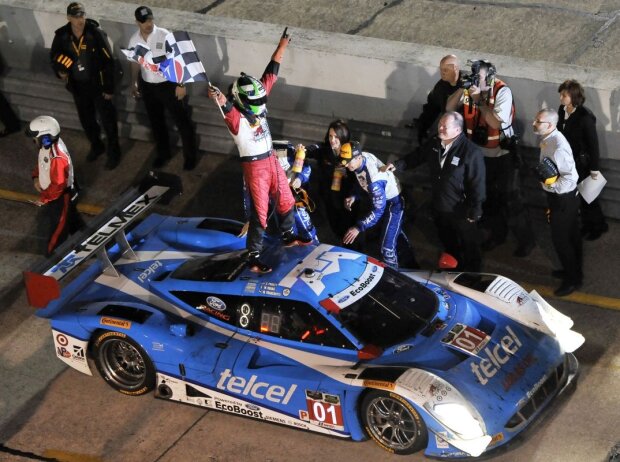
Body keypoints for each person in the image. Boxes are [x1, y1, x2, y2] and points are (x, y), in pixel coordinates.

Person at [207, 28, 311, 274]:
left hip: (272, 160)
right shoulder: (235, 119)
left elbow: (270, 75)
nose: (261, 106)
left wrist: (282, 45)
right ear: (242, 101)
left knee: (287, 199)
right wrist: (219, 97)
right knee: (261, 214)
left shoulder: (257, 100)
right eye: (255, 103)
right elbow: (224, 106)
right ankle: (253, 256)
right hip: (255, 168)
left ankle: (288, 236)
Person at [446, 59, 535, 257]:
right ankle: (497, 234)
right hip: (479, 154)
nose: (476, 81)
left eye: (480, 78)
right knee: (487, 199)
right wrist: (463, 89)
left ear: (491, 77)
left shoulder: (502, 91)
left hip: (502, 156)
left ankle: (526, 240)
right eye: (474, 77)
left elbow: (495, 120)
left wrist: (478, 101)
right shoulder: (471, 91)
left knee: (511, 200)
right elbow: (449, 109)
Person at [390, 112, 485, 271]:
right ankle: (454, 266)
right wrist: (397, 165)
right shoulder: (434, 143)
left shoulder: (471, 152)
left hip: (462, 210)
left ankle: (474, 273)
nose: (439, 129)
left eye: (444, 126)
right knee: (448, 239)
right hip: (440, 206)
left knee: (469, 243)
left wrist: (475, 210)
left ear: (457, 130)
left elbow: (477, 183)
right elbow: (417, 156)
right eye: (439, 125)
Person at [50, 2, 121, 170]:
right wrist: (60, 72)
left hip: (98, 85)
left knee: (108, 122)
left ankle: (114, 153)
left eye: (81, 15)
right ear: (68, 18)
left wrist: (109, 88)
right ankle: (96, 146)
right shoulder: (61, 35)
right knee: (87, 120)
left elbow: (108, 61)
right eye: (75, 17)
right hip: (78, 86)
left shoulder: (95, 33)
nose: (79, 20)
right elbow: (53, 56)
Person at [128, 5, 198, 170]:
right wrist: (134, 82)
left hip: (168, 85)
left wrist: (181, 84)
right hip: (148, 86)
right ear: (137, 22)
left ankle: (190, 157)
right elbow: (135, 63)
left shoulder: (164, 35)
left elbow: (179, 60)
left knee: (182, 122)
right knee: (156, 122)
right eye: (144, 21)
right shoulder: (134, 40)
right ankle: (163, 154)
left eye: (150, 19)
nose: (149, 23)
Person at [340, 141, 417, 269]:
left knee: (387, 247)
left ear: (358, 157)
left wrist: (358, 227)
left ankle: (394, 278)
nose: (346, 165)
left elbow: (377, 210)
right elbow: (361, 180)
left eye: (348, 161)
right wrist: (354, 195)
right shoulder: (361, 157)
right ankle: (411, 263)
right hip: (387, 198)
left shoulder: (373, 181)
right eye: (344, 161)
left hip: (395, 204)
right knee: (394, 235)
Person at [533, 108, 581, 297]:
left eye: (538, 121)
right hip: (562, 198)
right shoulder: (549, 139)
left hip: (563, 199)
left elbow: (571, 178)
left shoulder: (558, 146)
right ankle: (573, 271)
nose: (534, 123)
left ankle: (572, 279)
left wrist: (552, 188)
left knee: (561, 240)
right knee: (570, 236)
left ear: (550, 125)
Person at [557, 79, 608, 241]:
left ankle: (598, 226)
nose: (561, 98)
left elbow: (593, 145)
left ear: (573, 96)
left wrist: (594, 168)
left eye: (564, 95)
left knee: (589, 197)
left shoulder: (585, 116)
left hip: (582, 163)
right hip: (569, 162)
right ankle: (588, 224)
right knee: (580, 196)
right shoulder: (561, 110)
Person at [26, 115, 84, 256]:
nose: (33, 140)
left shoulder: (57, 156)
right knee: (73, 223)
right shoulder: (47, 146)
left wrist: (45, 199)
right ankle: (89, 244)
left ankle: (51, 260)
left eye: (35, 137)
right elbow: (42, 164)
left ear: (45, 137)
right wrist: (35, 177)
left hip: (60, 198)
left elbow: (58, 184)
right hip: (57, 196)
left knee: (58, 231)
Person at [242, 142, 318, 245]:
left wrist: (300, 178)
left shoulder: (284, 152)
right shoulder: (250, 170)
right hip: (274, 199)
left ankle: (315, 245)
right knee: (281, 231)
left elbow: (306, 166)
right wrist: (249, 219)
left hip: (293, 194)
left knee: (302, 222)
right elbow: (248, 196)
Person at [304, 119, 358, 241]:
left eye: (336, 137)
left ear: (343, 137)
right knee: (334, 226)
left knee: (348, 228)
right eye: (330, 136)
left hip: (347, 198)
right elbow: (314, 149)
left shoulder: (350, 152)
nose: (332, 140)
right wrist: (303, 150)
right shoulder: (325, 150)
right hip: (329, 197)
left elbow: (358, 176)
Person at [411, 54, 463, 145]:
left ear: (455, 68)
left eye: (445, 70)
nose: (442, 73)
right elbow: (431, 107)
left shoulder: (466, 86)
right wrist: (423, 125)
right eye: (441, 69)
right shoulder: (441, 86)